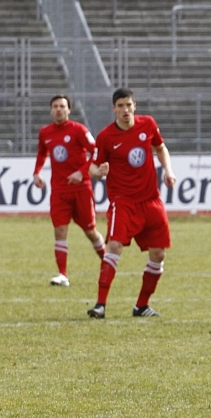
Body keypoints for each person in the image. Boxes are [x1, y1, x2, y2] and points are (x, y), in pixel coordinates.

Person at [87, 87, 177, 319]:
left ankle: (142, 306)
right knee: (114, 246)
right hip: (123, 202)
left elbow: (160, 147)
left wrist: (168, 171)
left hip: (151, 200)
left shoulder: (148, 124)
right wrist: (99, 171)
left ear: (134, 106)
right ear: (114, 109)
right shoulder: (106, 136)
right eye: (121, 106)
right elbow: (92, 167)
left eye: (129, 105)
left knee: (158, 253)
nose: (125, 110)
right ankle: (100, 305)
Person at [32, 95, 106, 286]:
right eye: (55, 106)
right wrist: (37, 172)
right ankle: (62, 275)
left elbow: (96, 151)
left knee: (90, 231)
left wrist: (82, 172)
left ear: (68, 110)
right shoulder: (45, 132)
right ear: (51, 110)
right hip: (59, 190)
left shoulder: (79, 130)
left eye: (62, 106)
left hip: (81, 188)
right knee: (60, 230)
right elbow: (42, 152)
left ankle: (107, 262)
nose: (58, 109)